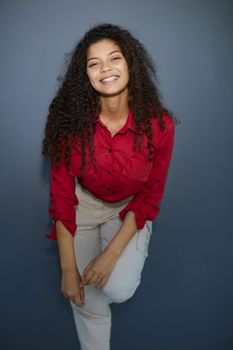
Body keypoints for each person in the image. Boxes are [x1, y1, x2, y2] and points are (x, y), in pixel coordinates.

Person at [42, 23, 176, 350]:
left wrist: (110, 255)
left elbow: (150, 193)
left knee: (117, 288)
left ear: (130, 63)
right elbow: (61, 196)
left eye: (114, 58)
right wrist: (67, 267)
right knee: (82, 295)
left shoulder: (161, 126)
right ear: (84, 74)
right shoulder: (66, 122)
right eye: (94, 63)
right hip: (82, 205)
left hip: (129, 207)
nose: (105, 69)